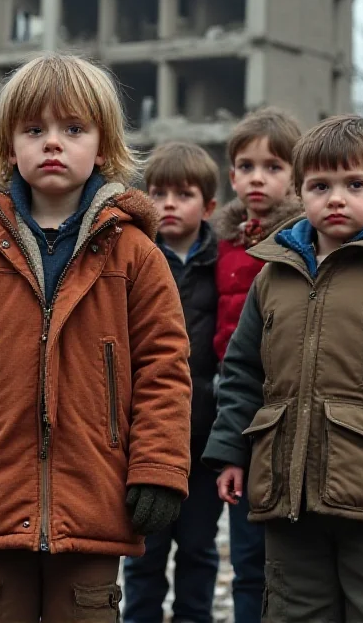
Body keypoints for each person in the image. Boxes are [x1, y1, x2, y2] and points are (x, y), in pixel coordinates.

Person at [0, 54, 192, 622]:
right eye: (35, 130)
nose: (53, 143)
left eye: (73, 129)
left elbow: (165, 368)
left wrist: (159, 468)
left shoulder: (136, 254)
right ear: (10, 146)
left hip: (96, 494)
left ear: (104, 147)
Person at [203, 114, 363, 622]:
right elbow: (241, 373)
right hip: (288, 495)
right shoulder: (274, 276)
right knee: (292, 611)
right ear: (300, 194)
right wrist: (231, 450)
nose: (336, 197)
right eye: (320, 185)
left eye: (355, 184)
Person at [123, 142, 223, 623]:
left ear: (208, 207)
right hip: (142, 442)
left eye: (182, 194)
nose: (168, 204)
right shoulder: (135, 258)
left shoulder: (223, 265)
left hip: (204, 440)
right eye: (158, 192)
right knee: (143, 554)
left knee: (199, 553)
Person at [210, 107, 301, 622]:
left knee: (288, 558)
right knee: (245, 552)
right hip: (235, 401)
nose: (257, 178)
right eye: (246, 167)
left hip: (286, 397)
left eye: (272, 167)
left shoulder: (303, 241)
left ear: (296, 176)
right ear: (231, 176)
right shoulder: (220, 241)